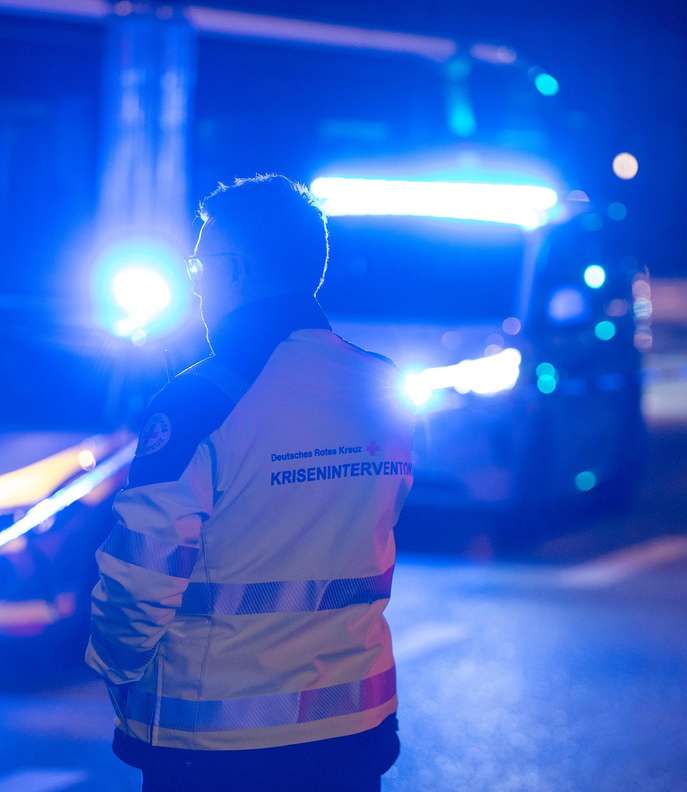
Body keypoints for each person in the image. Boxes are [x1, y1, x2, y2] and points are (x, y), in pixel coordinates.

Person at [85, 174, 415, 792]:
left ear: (234, 272)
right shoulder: (382, 386)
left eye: (199, 266)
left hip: (218, 746)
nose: (197, 284)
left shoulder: (200, 403)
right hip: (354, 733)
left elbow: (141, 575)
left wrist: (116, 666)